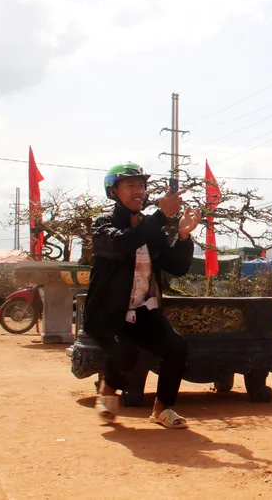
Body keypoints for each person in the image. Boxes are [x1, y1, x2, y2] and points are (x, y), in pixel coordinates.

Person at [83, 162, 201, 429]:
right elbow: (124, 243)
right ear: (113, 191)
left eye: (142, 185)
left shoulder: (152, 229)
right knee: (125, 354)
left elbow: (177, 266)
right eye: (131, 185)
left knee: (176, 347)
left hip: (143, 311)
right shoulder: (103, 225)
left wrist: (183, 236)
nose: (139, 190)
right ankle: (108, 392)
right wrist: (160, 216)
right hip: (107, 315)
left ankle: (163, 409)